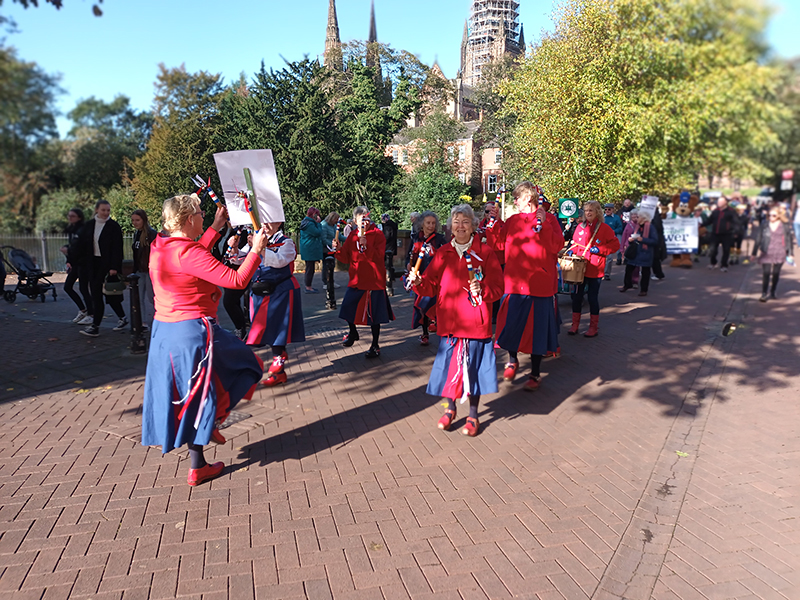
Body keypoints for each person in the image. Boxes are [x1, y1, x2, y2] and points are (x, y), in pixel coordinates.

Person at [142, 195, 268, 487]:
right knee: (249, 366)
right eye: (199, 213)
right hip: (193, 333)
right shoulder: (189, 253)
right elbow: (236, 280)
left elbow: (187, 256)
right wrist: (257, 251)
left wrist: (214, 227)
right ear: (189, 220)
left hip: (165, 333)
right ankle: (212, 423)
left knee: (195, 396)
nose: (202, 216)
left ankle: (198, 463)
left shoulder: (159, 247)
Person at [408, 204, 503, 437]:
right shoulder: (443, 253)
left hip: (475, 321)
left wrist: (482, 289)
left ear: (473, 226)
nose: (460, 226)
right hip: (450, 321)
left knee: (473, 370)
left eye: (465, 222)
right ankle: (450, 409)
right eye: (456, 222)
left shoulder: (486, 253)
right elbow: (430, 285)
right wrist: (419, 281)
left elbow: (498, 288)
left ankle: (473, 414)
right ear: (450, 226)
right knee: (449, 369)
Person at [486, 182, 564, 391]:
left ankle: (535, 373)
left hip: (539, 285)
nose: (515, 202)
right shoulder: (512, 221)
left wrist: (545, 223)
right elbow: (498, 245)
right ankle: (512, 360)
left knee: (537, 331)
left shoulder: (549, 220)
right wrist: (493, 223)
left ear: (527, 198)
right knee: (511, 325)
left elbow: (557, 245)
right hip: (514, 284)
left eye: (517, 198)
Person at [246, 222, 305, 385]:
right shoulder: (256, 240)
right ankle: (279, 363)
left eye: (269, 220)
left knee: (276, 329)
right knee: (263, 331)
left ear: (278, 223)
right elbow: (239, 262)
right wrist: (234, 247)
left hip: (280, 292)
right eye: (262, 220)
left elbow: (279, 261)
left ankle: (278, 363)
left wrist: (260, 249)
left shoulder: (286, 242)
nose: (264, 224)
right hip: (260, 293)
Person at [333, 207, 394, 358]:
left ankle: (375, 345)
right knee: (347, 307)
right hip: (356, 278)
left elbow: (379, 256)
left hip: (373, 279)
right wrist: (337, 250)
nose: (364, 223)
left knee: (375, 315)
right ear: (355, 221)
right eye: (361, 220)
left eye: (366, 219)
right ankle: (353, 332)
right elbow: (346, 258)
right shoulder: (352, 235)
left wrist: (366, 245)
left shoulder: (377, 234)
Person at [566, 201, 620, 337]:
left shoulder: (604, 229)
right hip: (579, 269)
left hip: (595, 269)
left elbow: (615, 245)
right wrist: (572, 251)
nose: (588, 213)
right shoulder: (580, 227)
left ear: (597, 212)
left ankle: (593, 327)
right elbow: (575, 244)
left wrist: (600, 250)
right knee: (576, 297)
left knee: (592, 298)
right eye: (586, 210)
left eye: (591, 210)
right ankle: (575, 324)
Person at [77, 199, 127, 337]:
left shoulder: (113, 226)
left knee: (110, 294)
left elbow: (117, 249)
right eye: (103, 210)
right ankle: (97, 325)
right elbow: (82, 245)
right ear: (97, 210)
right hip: (93, 263)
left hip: (107, 264)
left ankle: (118, 319)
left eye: (108, 210)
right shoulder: (89, 225)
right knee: (96, 294)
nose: (106, 213)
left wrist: (114, 267)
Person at [406, 211, 446, 345]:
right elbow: (409, 256)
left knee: (435, 305)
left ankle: (440, 330)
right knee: (421, 307)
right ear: (422, 224)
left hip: (435, 278)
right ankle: (424, 333)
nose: (431, 226)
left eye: (433, 223)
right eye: (428, 223)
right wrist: (409, 266)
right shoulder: (416, 238)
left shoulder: (440, 239)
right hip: (420, 277)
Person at [752, 205, 794, 302]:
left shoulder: (785, 225)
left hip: (780, 251)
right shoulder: (765, 224)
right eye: (769, 215)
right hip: (767, 251)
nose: (771, 217)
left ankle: (773, 291)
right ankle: (763, 293)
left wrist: (791, 253)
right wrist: (753, 253)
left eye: (774, 215)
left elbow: (789, 240)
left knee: (776, 273)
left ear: (779, 216)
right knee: (766, 273)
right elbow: (758, 238)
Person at [62, 207, 94, 325]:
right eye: (69, 216)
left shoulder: (83, 229)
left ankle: (91, 314)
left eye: (73, 216)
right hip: (76, 263)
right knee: (68, 287)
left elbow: (80, 247)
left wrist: (68, 251)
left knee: (84, 288)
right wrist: (69, 260)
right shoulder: (72, 229)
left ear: (79, 217)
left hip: (83, 263)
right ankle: (83, 310)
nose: (70, 218)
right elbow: (73, 246)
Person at [222, 227, 252, 340]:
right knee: (234, 302)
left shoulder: (243, 231)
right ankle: (241, 327)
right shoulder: (223, 231)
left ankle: (241, 329)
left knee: (229, 302)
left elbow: (242, 255)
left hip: (238, 273)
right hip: (224, 273)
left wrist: (234, 249)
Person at [620, 210, 659, 297]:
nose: (637, 218)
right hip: (636, 252)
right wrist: (631, 241)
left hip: (646, 253)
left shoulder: (650, 227)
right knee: (629, 269)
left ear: (644, 218)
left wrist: (643, 240)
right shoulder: (637, 227)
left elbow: (655, 241)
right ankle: (627, 284)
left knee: (645, 272)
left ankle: (644, 290)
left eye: (638, 217)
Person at [131, 209, 157, 328]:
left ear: (143, 220)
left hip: (150, 270)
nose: (135, 223)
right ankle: (142, 322)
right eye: (133, 220)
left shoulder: (151, 234)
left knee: (152, 298)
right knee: (138, 297)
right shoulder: (136, 234)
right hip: (140, 270)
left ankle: (161, 319)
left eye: (137, 220)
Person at [703, 196, 736, 271]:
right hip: (715, 233)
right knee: (712, 249)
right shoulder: (715, 211)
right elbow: (709, 220)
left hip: (726, 234)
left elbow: (736, 222)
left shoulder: (731, 211)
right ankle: (713, 263)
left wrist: (735, 231)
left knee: (726, 250)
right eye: (718, 201)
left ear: (725, 203)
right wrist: (701, 224)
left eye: (721, 202)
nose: (719, 203)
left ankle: (724, 265)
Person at [321, 212, 344, 309]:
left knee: (332, 264)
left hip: (333, 248)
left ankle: (330, 281)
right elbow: (323, 239)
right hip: (326, 249)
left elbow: (339, 236)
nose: (337, 221)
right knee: (326, 265)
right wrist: (331, 245)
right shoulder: (324, 225)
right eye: (336, 219)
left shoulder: (334, 226)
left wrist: (351, 238)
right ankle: (326, 282)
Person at [299, 207, 324, 293]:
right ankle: (308, 287)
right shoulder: (310, 224)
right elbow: (318, 232)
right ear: (314, 215)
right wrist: (319, 223)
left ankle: (308, 286)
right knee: (310, 269)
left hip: (307, 247)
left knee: (310, 268)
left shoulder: (306, 223)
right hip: (310, 248)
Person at [602, 203, 624, 278]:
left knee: (610, 257)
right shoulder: (601, 217)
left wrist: (613, 231)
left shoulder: (616, 218)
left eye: (609, 209)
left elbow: (620, 228)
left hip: (611, 239)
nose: (607, 211)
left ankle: (607, 273)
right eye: (606, 209)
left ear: (612, 210)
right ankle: (599, 272)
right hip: (601, 239)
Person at [381, 213, 398, 297]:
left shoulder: (387, 226)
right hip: (391, 248)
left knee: (387, 267)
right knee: (389, 265)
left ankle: (389, 287)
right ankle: (390, 283)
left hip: (387, 248)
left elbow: (387, 237)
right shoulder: (393, 225)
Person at [650, 208, 667, 280]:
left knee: (655, 257)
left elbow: (656, 228)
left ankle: (658, 274)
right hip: (657, 239)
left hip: (656, 240)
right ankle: (657, 273)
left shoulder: (655, 217)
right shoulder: (656, 216)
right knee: (653, 257)